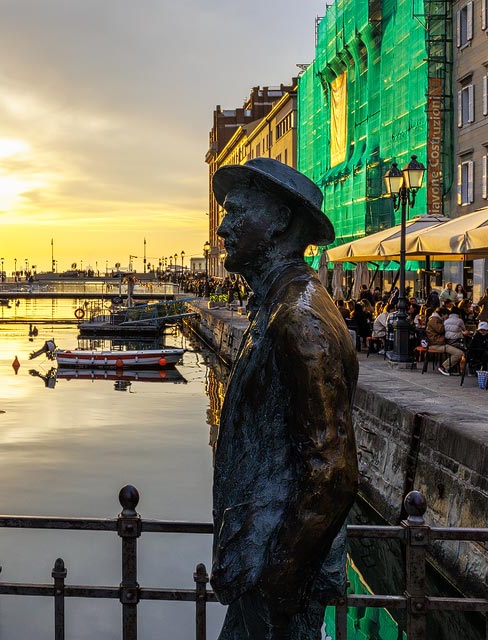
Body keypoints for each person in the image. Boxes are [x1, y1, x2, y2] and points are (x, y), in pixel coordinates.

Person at [211, 158, 358, 638]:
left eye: (235, 213)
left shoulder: (298, 319)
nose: (223, 230)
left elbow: (332, 469)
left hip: (275, 580)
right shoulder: (282, 304)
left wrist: (282, 578)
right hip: (263, 562)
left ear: (276, 221)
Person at [426, 307, 465, 375]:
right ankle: (444, 367)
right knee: (459, 353)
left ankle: (451, 368)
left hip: (437, 343)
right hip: (436, 344)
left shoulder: (435, 319)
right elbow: (441, 329)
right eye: (446, 316)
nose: (447, 318)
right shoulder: (434, 320)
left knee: (457, 350)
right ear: (442, 314)